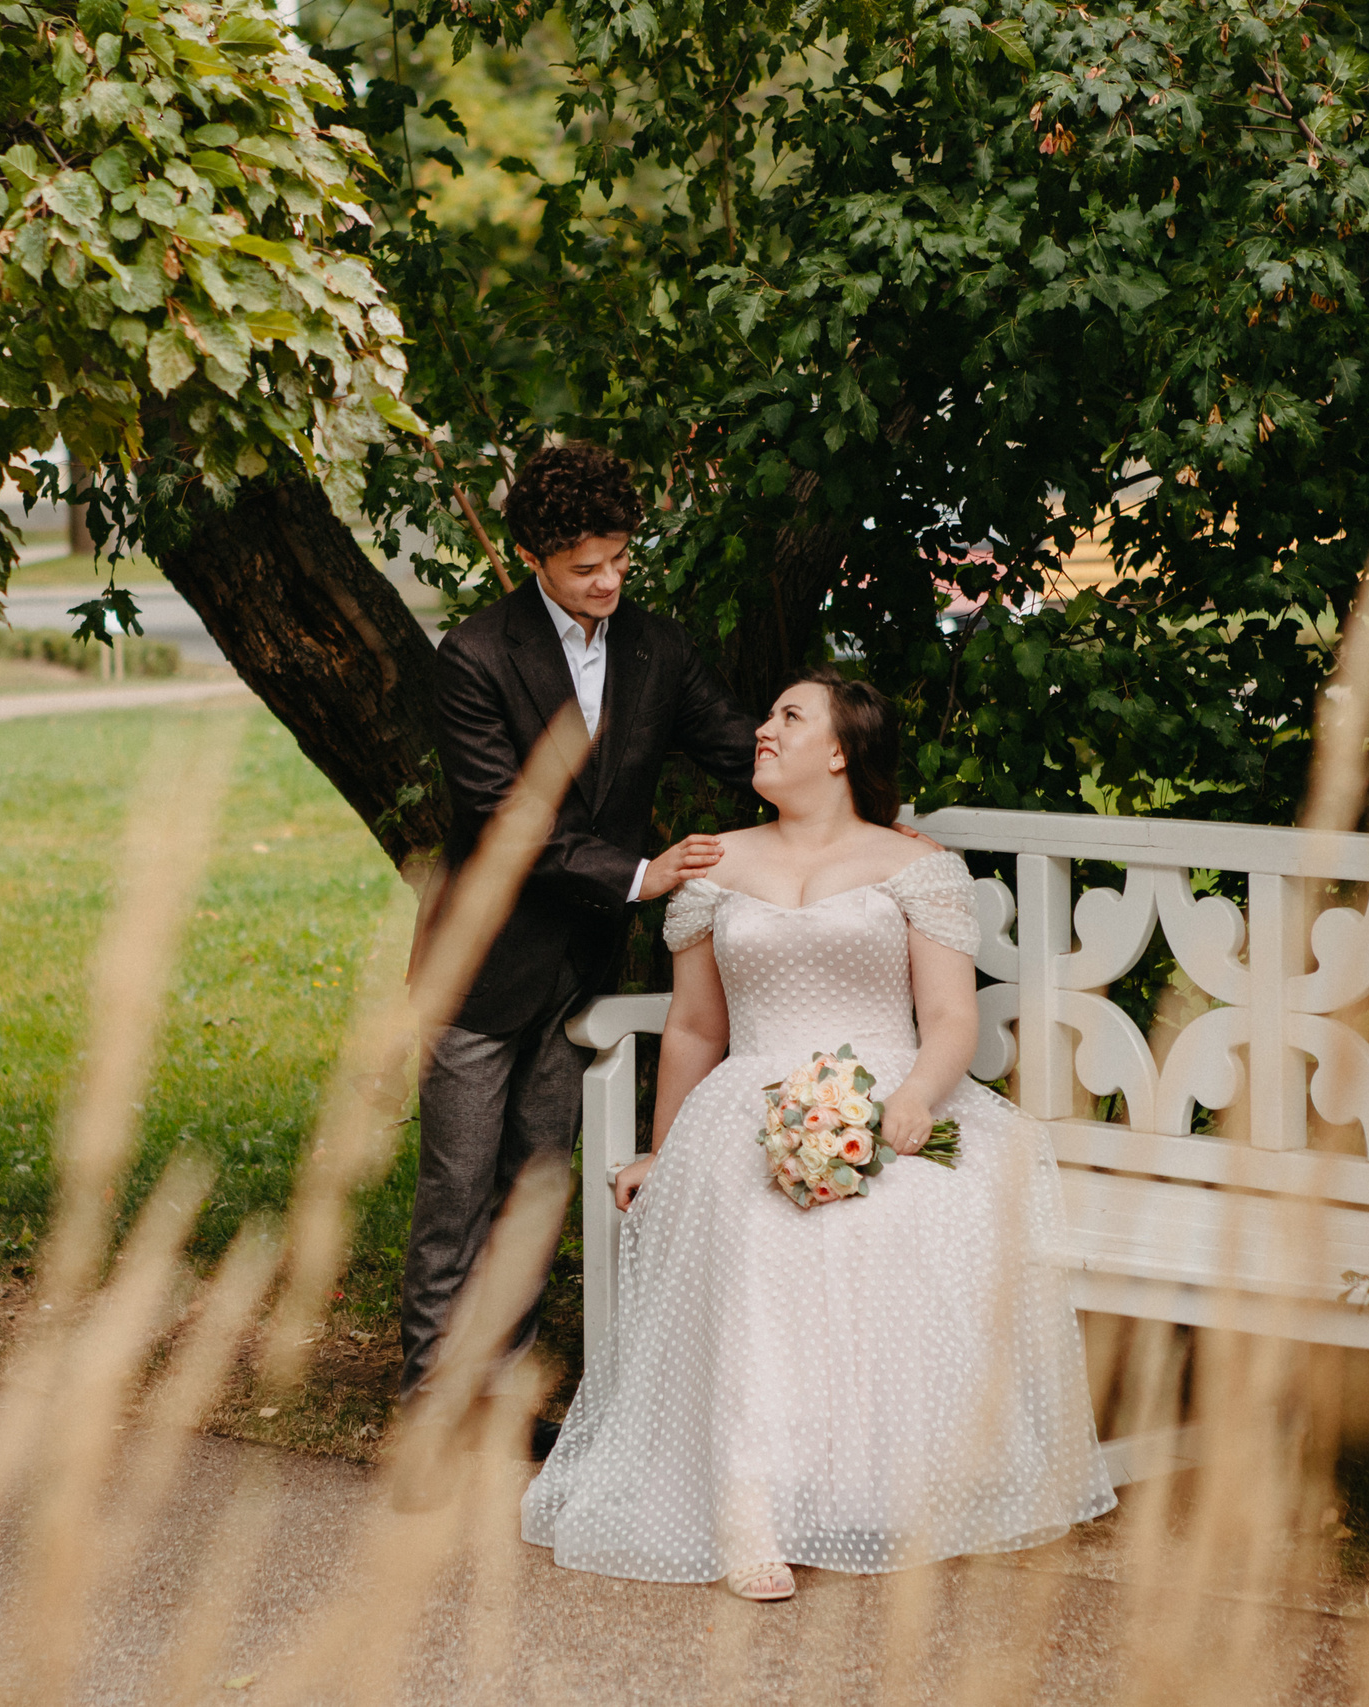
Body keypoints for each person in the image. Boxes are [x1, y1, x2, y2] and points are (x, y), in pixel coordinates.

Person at [520, 668, 1114, 1599]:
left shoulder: (913, 865)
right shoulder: (716, 865)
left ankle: (884, 1490)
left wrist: (914, 1099)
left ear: (840, 750)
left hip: (891, 1095)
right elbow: (696, 1029)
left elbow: (949, 1016)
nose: (764, 729)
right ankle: (750, 1505)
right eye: (766, 715)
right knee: (754, 1225)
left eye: (789, 717)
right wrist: (664, 1150)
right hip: (749, 1103)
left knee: (903, 1219)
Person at [402, 442, 758, 1444]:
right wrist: (643, 875)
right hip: (480, 969)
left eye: (620, 560)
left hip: (577, 975)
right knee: (455, 1194)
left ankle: (502, 1403)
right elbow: (505, 817)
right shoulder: (475, 656)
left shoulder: (658, 648)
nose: (608, 583)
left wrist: (851, 791)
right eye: (584, 567)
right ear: (532, 558)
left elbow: (738, 744)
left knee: (534, 1189)